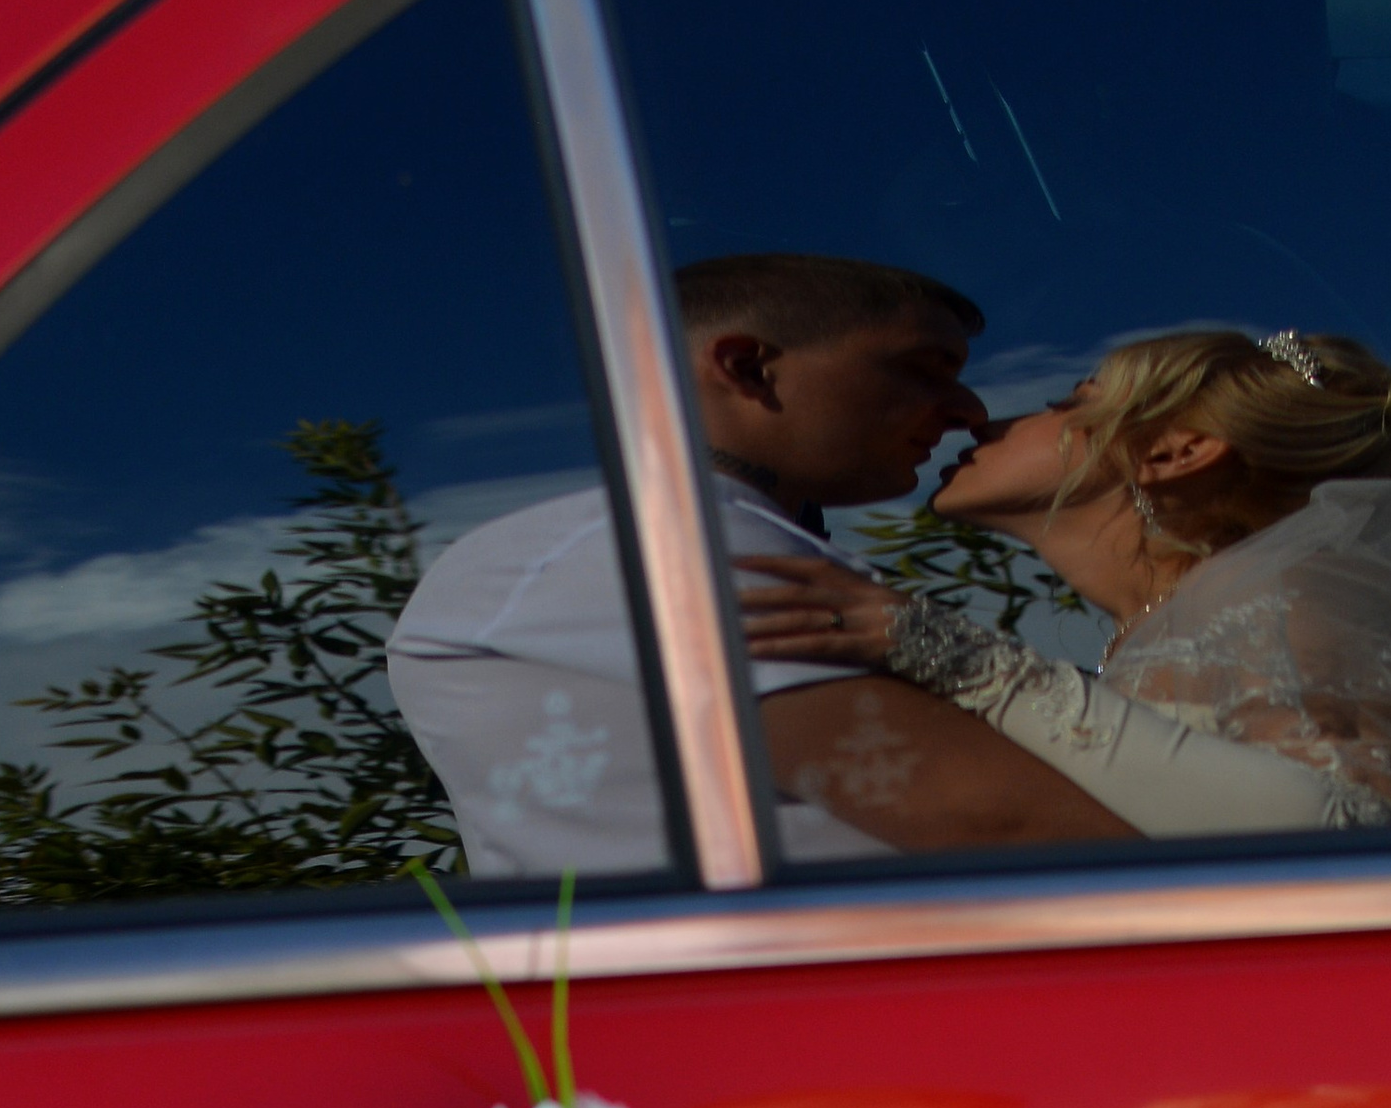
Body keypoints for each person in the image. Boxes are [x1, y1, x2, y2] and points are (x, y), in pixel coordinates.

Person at [737, 326, 1391, 832]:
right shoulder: (1179, 622)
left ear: (1175, 451)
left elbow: (1350, 830)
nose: (989, 420)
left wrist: (968, 663)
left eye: (1071, 400)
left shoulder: (1297, 606)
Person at [387, 253, 1132, 872]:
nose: (968, 408)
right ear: (746, 367)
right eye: (922, 368)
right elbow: (993, 820)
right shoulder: (660, 548)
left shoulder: (648, 544)